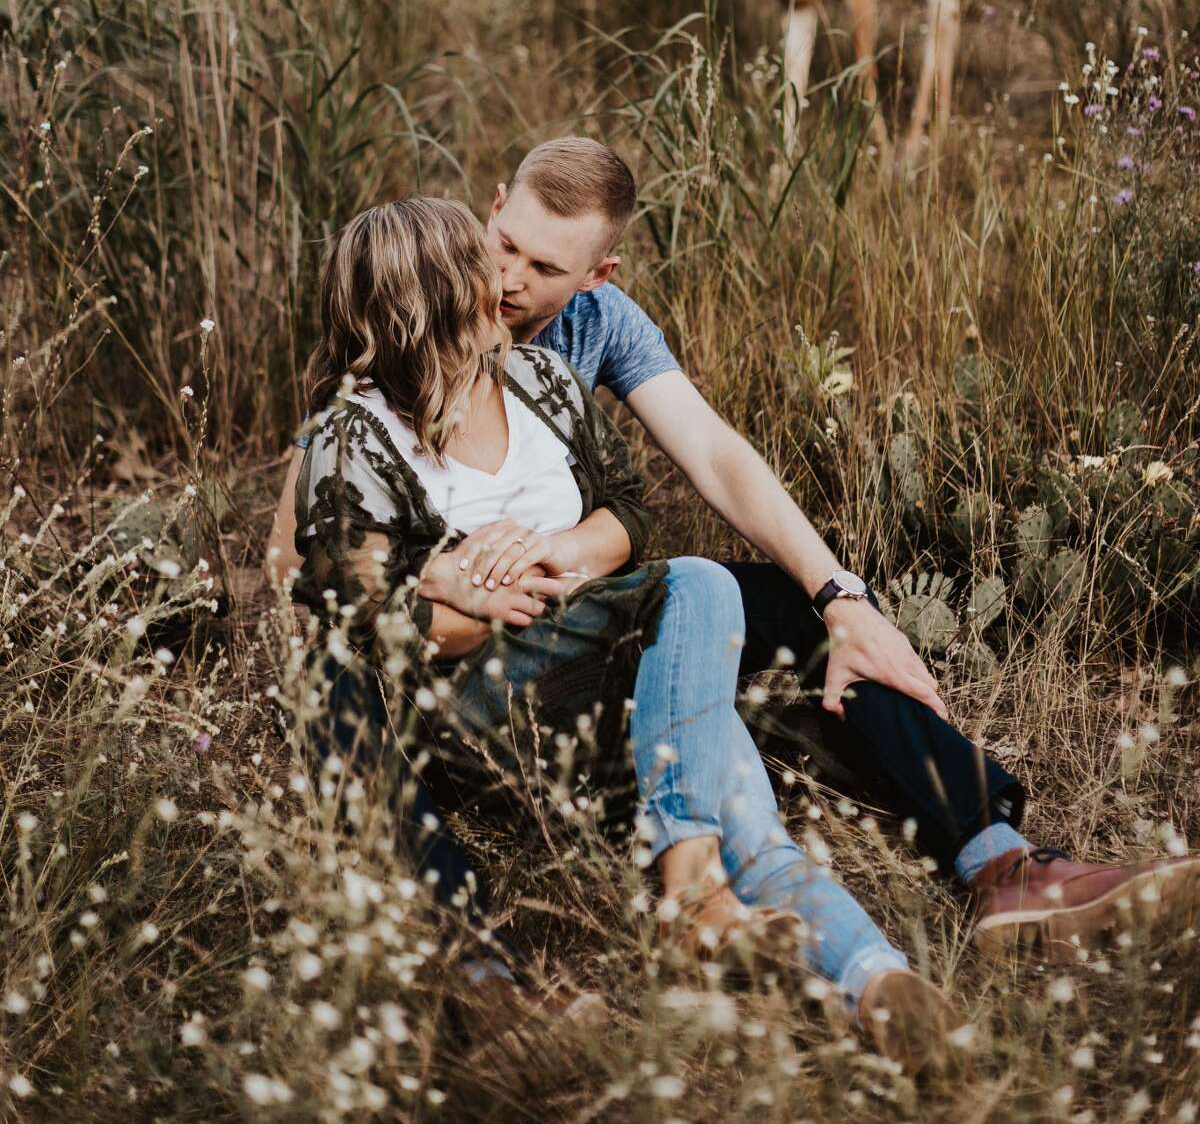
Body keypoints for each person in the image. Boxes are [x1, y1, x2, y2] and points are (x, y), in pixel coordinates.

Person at [270, 138, 1200, 965]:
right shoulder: (416, 322)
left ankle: (996, 862)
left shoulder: (589, 336)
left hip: (588, 604)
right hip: (475, 643)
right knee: (348, 681)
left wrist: (841, 596)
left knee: (794, 611)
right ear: (491, 212)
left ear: (597, 275)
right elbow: (308, 556)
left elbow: (710, 456)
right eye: (500, 245)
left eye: (541, 267)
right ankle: (472, 953)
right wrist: (442, 576)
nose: (507, 281)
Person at [293, 196, 962, 1072]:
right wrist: (465, 593)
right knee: (695, 584)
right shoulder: (353, 437)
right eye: (484, 264)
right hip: (485, 704)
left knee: (745, 808)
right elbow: (349, 618)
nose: (505, 282)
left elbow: (631, 509)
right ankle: (689, 886)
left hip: (607, 685)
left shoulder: (544, 384)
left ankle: (875, 981)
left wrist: (558, 551)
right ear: (437, 302)